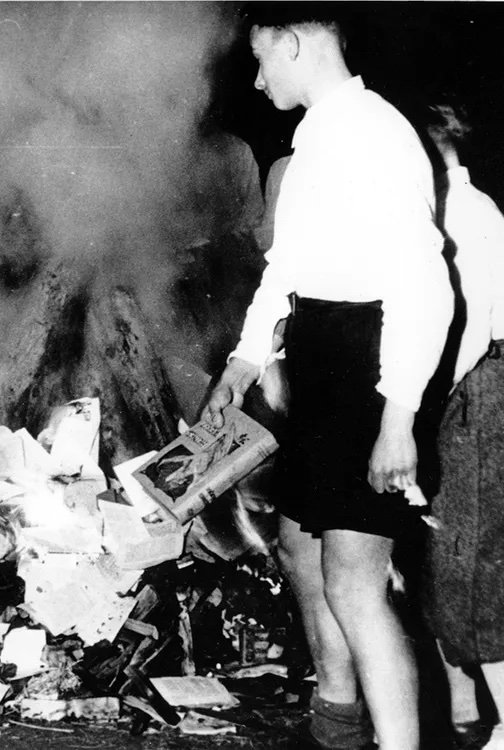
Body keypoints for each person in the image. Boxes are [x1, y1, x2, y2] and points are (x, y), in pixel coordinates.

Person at [203, 7, 452, 750]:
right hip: (316, 356)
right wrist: (244, 360)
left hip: (365, 368)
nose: (256, 78)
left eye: (262, 60)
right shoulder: (317, 138)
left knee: (354, 580)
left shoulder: (375, 133)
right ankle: (336, 725)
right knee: (301, 555)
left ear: (294, 44)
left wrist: (398, 416)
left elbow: (426, 287)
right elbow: (288, 268)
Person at [420, 102, 504, 750]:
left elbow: (471, 329)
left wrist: (426, 405)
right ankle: (469, 707)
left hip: (478, 395)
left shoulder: (466, 213)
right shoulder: (450, 207)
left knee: (474, 569)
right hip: (469, 395)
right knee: (452, 560)